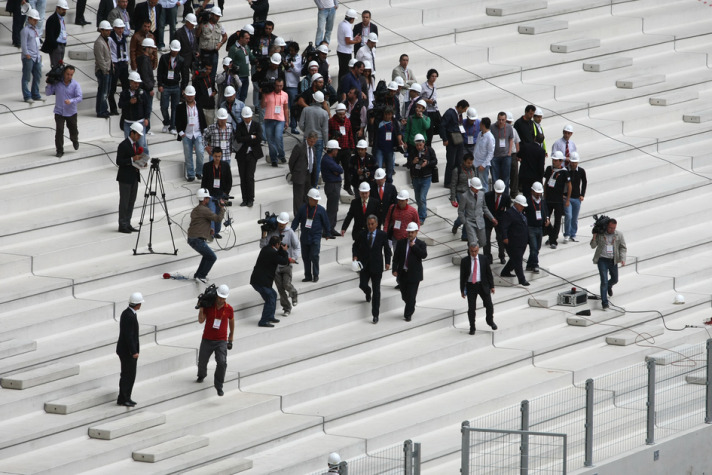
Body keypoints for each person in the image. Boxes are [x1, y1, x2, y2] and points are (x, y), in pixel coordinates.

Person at [353, 214, 391, 323]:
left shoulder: (382, 235)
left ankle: (375, 315)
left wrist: (387, 262)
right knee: (362, 285)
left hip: (377, 266)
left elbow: (387, 249)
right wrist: (355, 256)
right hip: (364, 266)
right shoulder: (362, 234)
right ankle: (367, 291)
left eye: (372, 224)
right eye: (369, 224)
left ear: (377, 224)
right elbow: (355, 246)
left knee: (377, 291)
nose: (370, 226)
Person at [260, 212, 300, 316]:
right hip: (275, 266)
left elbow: (296, 246)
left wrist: (294, 258)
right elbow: (264, 246)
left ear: (287, 223)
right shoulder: (272, 231)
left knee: (286, 284)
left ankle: (294, 293)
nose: (281, 225)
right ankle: (287, 308)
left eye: (283, 224)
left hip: (286, 264)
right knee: (280, 289)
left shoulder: (290, 232)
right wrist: (263, 235)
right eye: (279, 223)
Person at [196, 284, 233, 396]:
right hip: (207, 339)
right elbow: (201, 321)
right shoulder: (209, 306)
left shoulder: (229, 309)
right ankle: (201, 374)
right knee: (202, 361)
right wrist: (201, 308)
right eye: (220, 297)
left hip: (221, 341)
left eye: (223, 298)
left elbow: (232, 323)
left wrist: (230, 339)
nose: (221, 299)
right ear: (216, 296)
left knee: (222, 363)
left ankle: (219, 385)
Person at [251, 235, 291, 327]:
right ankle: (263, 321)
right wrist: (284, 251)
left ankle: (270, 317)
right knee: (270, 299)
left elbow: (277, 255)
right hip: (261, 282)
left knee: (273, 295)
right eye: (279, 244)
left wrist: (280, 249)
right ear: (277, 244)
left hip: (259, 280)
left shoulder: (266, 249)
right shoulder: (272, 253)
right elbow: (284, 261)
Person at [292, 188, 330, 282]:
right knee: (305, 257)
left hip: (316, 236)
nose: (316, 201)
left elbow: (326, 222)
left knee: (314, 255)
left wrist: (328, 233)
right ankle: (308, 275)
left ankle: (316, 274)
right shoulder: (303, 209)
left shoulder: (321, 210)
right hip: (305, 236)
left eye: (317, 200)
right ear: (309, 199)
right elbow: (296, 220)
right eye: (314, 200)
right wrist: (291, 231)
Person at [188, 188, 226, 283]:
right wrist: (222, 208)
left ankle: (198, 275)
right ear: (204, 199)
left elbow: (199, 223)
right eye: (207, 198)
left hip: (193, 238)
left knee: (207, 256)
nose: (209, 200)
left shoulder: (196, 209)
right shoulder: (204, 210)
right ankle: (201, 276)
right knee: (212, 257)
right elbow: (217, 218)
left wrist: (209, 229)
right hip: (197, 240)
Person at [392, 222, 427, 322]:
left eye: (412, 232)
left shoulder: (421, 244)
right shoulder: (401, 243)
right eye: (409, 232)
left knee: (411, 295)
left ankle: (408, 314)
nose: (410, 234)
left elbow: (423, 255)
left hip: (414, 275)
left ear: (416, 232)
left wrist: (414, 246)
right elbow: (396, 258)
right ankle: (411, 304)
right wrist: (394, 269)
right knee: (404, 295)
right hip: (403, 273)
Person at [46, 65, 83, 158]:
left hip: (71, 112)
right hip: (59, 111)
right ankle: (59, 150)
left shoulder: (75, 84)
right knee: (59, 131)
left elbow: (79, 97)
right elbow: (48, 93)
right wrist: (49, 83)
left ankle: (74, 140)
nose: (69, 76)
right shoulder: (57, 83)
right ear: (64, 73)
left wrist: (71, 101)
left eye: (71, 75)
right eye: (67, 74)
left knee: (73, 128)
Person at [460, 243, 495, 335]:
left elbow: (488, 273)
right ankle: (472, 326)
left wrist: (492, 286)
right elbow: (462, 277)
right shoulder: (465, 261)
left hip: (483, 285)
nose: (474, 253)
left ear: (478, 250)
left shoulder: (483, 259)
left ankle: (489, 320)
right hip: (471, 286)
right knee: (471, 308)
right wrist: (462, 290)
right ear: (469, 250)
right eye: (472, 251)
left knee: (489, 305)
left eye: (475, 251)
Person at [591, 219, 626, 310]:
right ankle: (604, 302)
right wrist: (594, 237)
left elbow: (623, 247)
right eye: (610, 227)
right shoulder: (601, 234)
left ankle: (609, 286)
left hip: (613, 260)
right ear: (607, 226)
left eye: (614, 228)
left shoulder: (619, 234)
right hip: (602, 260)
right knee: (604, 281)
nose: (612, 229)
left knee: (615, 279)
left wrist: (622, 258)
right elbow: (593, 246)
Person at [116, 122, 144, 233]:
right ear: (132, 133)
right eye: (137, 135)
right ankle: (122, 224)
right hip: (125, 178)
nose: (139, 137)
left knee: (131, 201)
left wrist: (141, 163)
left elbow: (135, 160)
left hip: (133, 177)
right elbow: (119, 161)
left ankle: (127, 223)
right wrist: (132, 159)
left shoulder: (135, 145)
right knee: (124, 202)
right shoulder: (123, 145)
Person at [116, 292, 143, 406]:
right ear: (137, 304)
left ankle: (126, 396)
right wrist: (134, 351)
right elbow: (129, 336)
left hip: (126, 350)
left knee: (128, 374)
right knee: (128, 375)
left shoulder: (128, 313)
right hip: (127, 351)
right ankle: (124, 398)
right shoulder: (130, 316)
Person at [176, 85, 207, 181]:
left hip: (198, 133)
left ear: (194, 95)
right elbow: (177, 120)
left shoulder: (199, 105)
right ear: (185, 96)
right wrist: (181, 133)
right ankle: (191, 174)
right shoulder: (180, 107)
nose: (190, 97)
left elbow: (202, 118)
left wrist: (204, 131)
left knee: (200, 153)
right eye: (188, 95)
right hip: (187, 134)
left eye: (192, 95)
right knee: (188, 155)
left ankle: (199, 172)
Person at [299, 90, 330, 185]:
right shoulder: (324, 113)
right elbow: (325, 130)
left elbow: (300, 124)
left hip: (307, 138)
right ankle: (314, 184)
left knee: (306, 161)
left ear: (313, 99)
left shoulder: (306, 110)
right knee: (316, 163)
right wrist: (326, 143)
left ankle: (306, 182)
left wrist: (306, 130)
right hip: (319, 140)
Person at [234, 106, 262, 207]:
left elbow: (259, 138)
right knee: (243, 177)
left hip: (252, 154)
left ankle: (251, 199)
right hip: (241, 154)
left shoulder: (256, 125)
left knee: (249, 176)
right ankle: (244, 199)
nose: (247, 119)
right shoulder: (240, 126)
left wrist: (245, 139)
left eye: (249, 117)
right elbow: (238, 139)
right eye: (245, 118)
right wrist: (250, 137)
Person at [200, 147, 231, 239]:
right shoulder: (207, 166)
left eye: (219, 156)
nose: (217, 158)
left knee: (219, 214)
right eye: (215, 156)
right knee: (211, 213)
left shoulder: (225, 165)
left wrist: (225, 194)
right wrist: (203, 195)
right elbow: (204, 181)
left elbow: (229, 181)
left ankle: (216, 231)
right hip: (210, 194)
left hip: (221, 194)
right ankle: (211, 232)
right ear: (212, 156)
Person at [407, 133, 438, 225]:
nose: (419, 147)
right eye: (417, 145)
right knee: (417, 198)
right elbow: (408, 164)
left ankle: (421, 217)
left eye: (420, 145)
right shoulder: (413, 151)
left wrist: (427, 163)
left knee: (422, 197)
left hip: (426, 177)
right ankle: (422, 212)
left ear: (424, 143)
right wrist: (413, 162)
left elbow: (435, 161)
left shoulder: (430, 150)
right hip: (416, 178)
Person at [543, 151, 571, 249]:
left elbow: (569, 186)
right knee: (546, 219)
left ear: (560, 161)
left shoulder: (564, 172)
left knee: (558, 220)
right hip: (548, 199)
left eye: (555, 160)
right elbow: (546, 183)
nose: (554, 162)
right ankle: (552, 235)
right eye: (553, 160)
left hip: (558, 200)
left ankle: (553, 240)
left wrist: (567, 199)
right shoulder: (548, 169)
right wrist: (544, 195)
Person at [500, 194, 530, 286]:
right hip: (513, 242)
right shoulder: (509, 213)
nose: (523, 208)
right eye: (521, 206)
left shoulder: (522, 214)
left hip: (522, 241)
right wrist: (505, 238)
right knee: (518, 260)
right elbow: (503, 227)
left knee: (515, 259)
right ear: (516, 204)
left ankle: (505, 271)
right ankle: (522, 279)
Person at [119, 71, 150, 155]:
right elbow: (120, 105)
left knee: (142, 143)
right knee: (129, 143)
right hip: (128, 122)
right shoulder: (124, 93)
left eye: (138, 83)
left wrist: (147, 118)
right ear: (131, 82)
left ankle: (144, 159)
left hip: (139, 122)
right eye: (135, 83)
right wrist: (129, 102)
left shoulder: (142, 93)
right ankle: (131, 160)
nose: (137, 85)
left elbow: (147, 106)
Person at [458, 177, 496, 246]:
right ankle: (472, 254)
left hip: (480, 222)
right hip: (470, 222)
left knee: (483, 242)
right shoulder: (465, 196)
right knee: (473, 243)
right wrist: (465, 222)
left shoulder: (481, 194)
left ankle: (472, 251)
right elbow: (460, 211)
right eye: (476, 188)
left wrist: (492, 218)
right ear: (471, 187)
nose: (477, 190)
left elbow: (484, 207)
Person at [157, 40, 184, 134]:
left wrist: (183, 88)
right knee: (163, 107)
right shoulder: (164, 58)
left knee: (175, 107)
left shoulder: (181, 60)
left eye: (176, 50)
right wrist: (160, 84)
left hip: (176, 86)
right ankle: (166, 122)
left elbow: (184, 74)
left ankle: (173, 126)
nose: (175, 52)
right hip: (165, 85)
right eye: (173, 50)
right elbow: (159, 71)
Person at [440, 100, 469, 188]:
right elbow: (442, 126)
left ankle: (456, 180)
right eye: (464, 109)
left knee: (459, 161)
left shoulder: (459, 114)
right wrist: (444, 139)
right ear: (460, 107)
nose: (465, 111)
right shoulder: (450, 113)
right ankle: (448, 182)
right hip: (451, 140)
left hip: (459, 139)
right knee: (451, 162)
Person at [262, 77, 290, 166]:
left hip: (280, 119)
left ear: (283, 85)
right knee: (270, 141)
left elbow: (286, 108)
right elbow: (262, 106)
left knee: (278, 138)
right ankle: (273, 158)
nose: (279, 88)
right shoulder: (268, 93)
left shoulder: (285, 94)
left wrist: (287, 121)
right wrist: (262, 95)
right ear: (274, 85)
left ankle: (281, 155)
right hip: (269, 119)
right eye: (277, 86)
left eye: (281, 86)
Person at [289, 132, 318, 215]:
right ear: (307, 139)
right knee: (298, 197)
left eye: (314, 142)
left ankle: (305, 214)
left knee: (307, 196)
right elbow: (291, 161)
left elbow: (314, 162)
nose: (312, 143)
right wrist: (295, 173)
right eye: (311, 141)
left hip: (309, 174)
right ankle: (298, 215)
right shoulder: (299, 147)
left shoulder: (313, 149)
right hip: (299, 175)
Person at [196, 6, 227, 82]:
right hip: (204, 52)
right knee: (204, 73)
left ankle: (212, 89)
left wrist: (220, 43)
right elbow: (197, 35)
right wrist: (200, 23)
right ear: (212, 15)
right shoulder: (203, 23)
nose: (218, 18)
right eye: (216, 16)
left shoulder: (219, 25)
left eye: (219, 16)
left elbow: (225, 36)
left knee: (213, 74)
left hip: (214, 52)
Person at [450, 153, 476, 240]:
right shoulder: (457, 170)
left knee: (468, 214)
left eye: (471, 162)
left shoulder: (473, 169)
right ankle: (457, 224)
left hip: (470, 193)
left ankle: (464, 234)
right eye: (468, 163)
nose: (470, 164)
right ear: (464, 162)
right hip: (460, 193)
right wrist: (453, 198)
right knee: (464, 213)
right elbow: (453, 185)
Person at [372, 107, 402, 184]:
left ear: (391, 115)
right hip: (379, 148)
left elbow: (398, 133)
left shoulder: (394, 123)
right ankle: (378, 183)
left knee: (389, 168)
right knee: (378, 167)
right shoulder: (379, 122)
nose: (387, 116)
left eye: (389, 114)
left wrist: (400, 141)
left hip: (389, 149)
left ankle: (389, 184)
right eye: (385, 114)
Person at [484, 179, 511, 265]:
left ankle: (502, 256)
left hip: (500, 221)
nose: (499, 194)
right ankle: (487, 257)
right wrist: (491, 218)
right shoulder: (487, 196)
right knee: (486, 239)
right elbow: (485, 208)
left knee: (500, 239)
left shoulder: (506, 198)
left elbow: (508, 211)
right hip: (488, 219)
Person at [524, 182, 549, 274]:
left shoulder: (542, 201)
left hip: (540, 227)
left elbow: (545, 210)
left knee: (537, 248)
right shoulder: (528, 201)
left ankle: (529, 264)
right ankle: (535, 264)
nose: (539, 194)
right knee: (533, 247)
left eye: (540, 193)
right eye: (537, 192)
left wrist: (547, 218)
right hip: (531, 228)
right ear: (532, 191)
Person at [321, 140, 344, 235]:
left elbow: (338, 171)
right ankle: (327, 230)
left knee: (334, 208)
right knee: (331, 209)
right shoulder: (327, 160)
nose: (337, 152)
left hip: (334, 185)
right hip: (332, 185)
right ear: (333, 150)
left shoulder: (329, 159)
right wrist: (337, 172)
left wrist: (337, 172)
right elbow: (340, 170)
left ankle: (331, 228)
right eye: (336, 150)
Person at [20, 9, 43, 104]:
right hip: (29, 57)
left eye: (36, 20)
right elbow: (24, 44)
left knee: (37, 75)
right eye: (34, 19)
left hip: (36, 56)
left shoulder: (35, 30)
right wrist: (27, 54)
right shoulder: (25, 30)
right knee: (26, 77)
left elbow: (37, 43)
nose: (35, 21)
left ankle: (35, 94)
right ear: (29, 18)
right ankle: (27, 96)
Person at [108, 19, 130, 115]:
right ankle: (113, 108)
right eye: (118, 28)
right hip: (115, 63)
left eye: (122, 28)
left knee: (126, 86)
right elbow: (109, 51)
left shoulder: (124, 37)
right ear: (114, 28)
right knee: (112, 88)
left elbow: (125, 48)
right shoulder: (110, 38)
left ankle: (125, 105)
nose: (120, 30)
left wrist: (126, 60)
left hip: (123, 62)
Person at [564, 152, 586, 243]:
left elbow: (584, 182)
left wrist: (582, 195)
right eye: (572, 162)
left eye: (575, 162)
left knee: (574, 217)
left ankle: (573, 234)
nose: (573, 164)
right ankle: (567, 234)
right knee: (568, 216)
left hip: (577, 198)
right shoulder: (565, 170)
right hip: (567, 198)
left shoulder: (581, 171)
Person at [94, 21, 114, 119]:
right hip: (103, 71)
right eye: (106, 30)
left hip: (108, 70)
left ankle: (104, 109)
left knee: (106, 91)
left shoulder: (106, 40)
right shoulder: (99, 42)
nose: (108, 32)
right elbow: (100, 59)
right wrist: (105, 70)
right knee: (103, 91)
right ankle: (101, 110)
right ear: (101, 30)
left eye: (109, 30)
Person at [41, 0, 69, 68]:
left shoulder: (61, 19)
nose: (64, 11)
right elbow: (50, 35)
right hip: (56, 46)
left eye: (65, 9)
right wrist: (55, 45)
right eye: (63, 9)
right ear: (57, 8)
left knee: (60, 67)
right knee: (56, 67)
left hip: (62, 45)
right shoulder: (52, 19)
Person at [228, 30, 254, 102]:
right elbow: (230, 62)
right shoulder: (233, 49)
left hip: (246, 75)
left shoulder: (246, 47)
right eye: (246, 38)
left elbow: (251, 57)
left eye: (249, 38)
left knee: (243, 95)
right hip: (238, 77)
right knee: (237, 96)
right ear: (241, 38)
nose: (248, 40)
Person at [492, 112, 514, 195]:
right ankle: (495, 197)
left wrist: (509, 152)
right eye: (499, 120)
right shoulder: (492, 127)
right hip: (495, 156)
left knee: (506, 178)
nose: (501, 122)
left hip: (506, 156)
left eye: (503, 120)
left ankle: (505, 197)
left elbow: (511, 139)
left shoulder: (509, 127)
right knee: (495, 178)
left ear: (505, 120)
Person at [336, 9, 361, 81]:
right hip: (345, 52)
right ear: (352, 18)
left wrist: (353, 39)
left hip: (340, 49)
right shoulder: (347, 27)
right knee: (345, 71)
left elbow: (346, 39)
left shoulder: (341, 24)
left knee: (341, 70)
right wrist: (357, 41)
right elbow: (347, 41)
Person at [473, 117, 494, 193]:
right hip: (476, 163)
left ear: (483, 125)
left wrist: (484, 164)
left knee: (483, 185)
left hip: (483, 165)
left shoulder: (490, 137)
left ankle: (484, 202)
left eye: (480, 123)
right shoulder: (480, 134)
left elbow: (491, 153)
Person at [420, 69, 440, 145]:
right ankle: (428, 144)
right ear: (429, 76)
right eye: (432, 76)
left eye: (435, 76)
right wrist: (427, 101)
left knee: (440, 126)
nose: (434, 78)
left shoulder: (435, 86)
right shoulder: (423, 86)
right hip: (427, 111)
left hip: (435, 109)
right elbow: (418, 98)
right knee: (429, 129)